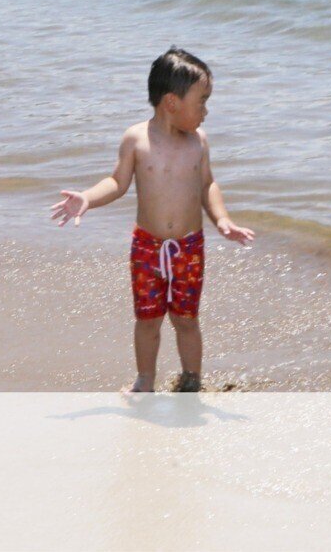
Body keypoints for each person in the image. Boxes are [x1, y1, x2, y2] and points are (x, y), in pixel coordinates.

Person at [50, 48, 257, 394]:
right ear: (172, 103)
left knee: (186, 319)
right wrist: (87, 198)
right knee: (147, 319)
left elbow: (208, 185)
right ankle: (145, 379)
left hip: (189, 247)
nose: (206, 111)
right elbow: (117, 182)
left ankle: (192, 378)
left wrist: (222, 220)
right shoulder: (136, 139)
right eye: (201, 102)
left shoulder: (198, 142)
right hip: (147, 246)